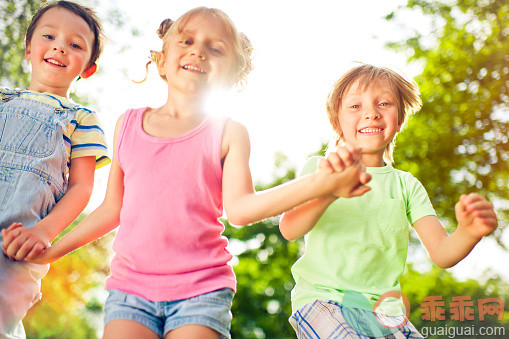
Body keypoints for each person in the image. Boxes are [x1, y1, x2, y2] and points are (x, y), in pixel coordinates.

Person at [16, 7, 371, 339]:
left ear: (233, 75)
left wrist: (324, 183)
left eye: (215, 49)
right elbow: (112, 210)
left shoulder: (229, 133)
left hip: (201, 290)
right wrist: (51, 250)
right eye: (186, 41)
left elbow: (242, 209)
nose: (198, 52)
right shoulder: (128, 124)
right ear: (162, 61)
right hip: (129, 290)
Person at [279, 64, 498, 339]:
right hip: (323, 301)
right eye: (355, 106)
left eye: (383, 103)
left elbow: (441, 253)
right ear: (337, 121)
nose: (371, 112)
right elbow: (289, 228)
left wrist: (468, 232)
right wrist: (332, 190)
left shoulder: (407, 186)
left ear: (399, 119)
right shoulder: (319, 168)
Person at [0, 1, 109, 338]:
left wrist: (44, 232)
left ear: (87, 68)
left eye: (75, 45)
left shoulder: (82, 120)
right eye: (50, 36)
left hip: (17, 246)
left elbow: (81, 188)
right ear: (29, 49)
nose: (60, 46)